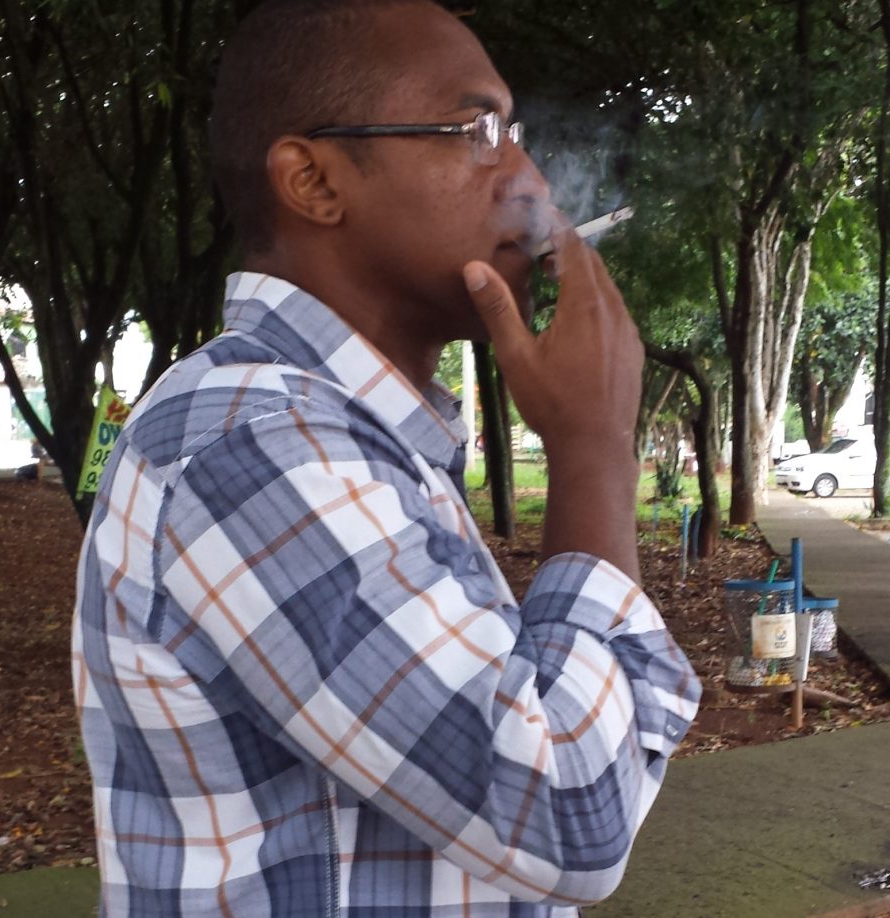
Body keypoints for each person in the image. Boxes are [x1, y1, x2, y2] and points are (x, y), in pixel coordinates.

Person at [72, 1, 701, 915]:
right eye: (476, 132)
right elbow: (573, 811)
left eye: (515, 134)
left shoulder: (352, 437)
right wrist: (593, 449)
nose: (530, 181)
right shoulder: (254, 446)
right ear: (314, 182)